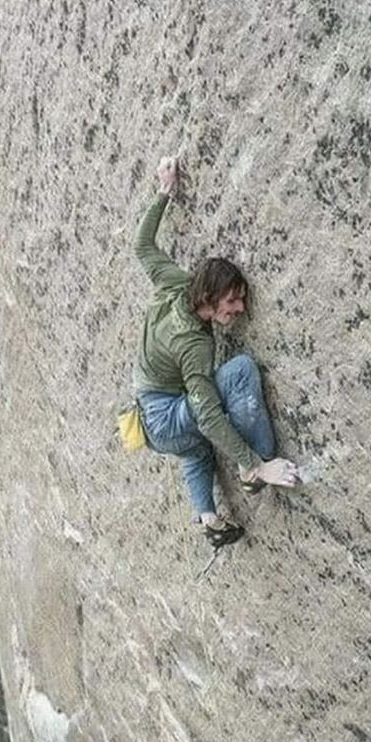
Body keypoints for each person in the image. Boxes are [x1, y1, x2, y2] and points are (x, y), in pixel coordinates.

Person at [133, 155, 300, 548]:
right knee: (240, 370)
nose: (239, 309)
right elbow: (207, 415)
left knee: (195, 451)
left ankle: (208, 517)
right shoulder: (194, 343)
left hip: (151, 421)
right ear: (208, 297)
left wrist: (164, 192)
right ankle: (257, 470)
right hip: (165, 416)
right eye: (232, 302)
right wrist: (255, 463)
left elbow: (142, 246)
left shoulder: (176, 283)